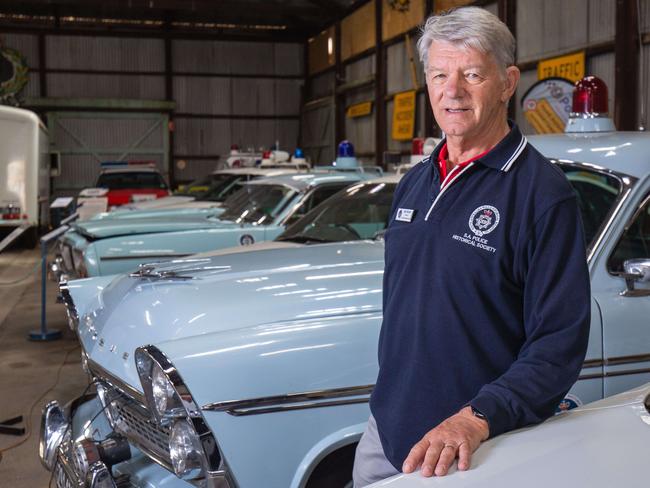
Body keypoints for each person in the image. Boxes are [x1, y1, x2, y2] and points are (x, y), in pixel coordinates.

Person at [352, 7, 590, 487]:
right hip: (386, 428)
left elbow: (558, 345)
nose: (452, 90)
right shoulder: (416, 183)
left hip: (470, 446)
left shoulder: (542, 195)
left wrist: (476, 417)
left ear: (507, 82)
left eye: (472, 74)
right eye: (439, 74)